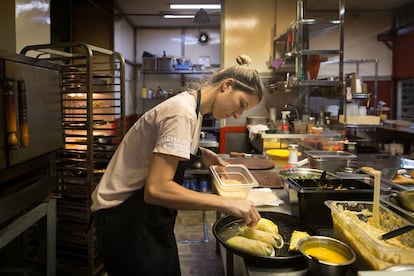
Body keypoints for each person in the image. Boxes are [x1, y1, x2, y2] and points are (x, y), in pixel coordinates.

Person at [91, 55, 265, 275]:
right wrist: (225, 202)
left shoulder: (194, 108)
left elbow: (164, 145)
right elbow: (156, 189)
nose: (238, 114)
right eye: (241, 104)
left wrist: (201, 153)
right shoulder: (181, 112)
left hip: (147, 218)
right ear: (227, 85)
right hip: (126, 218)